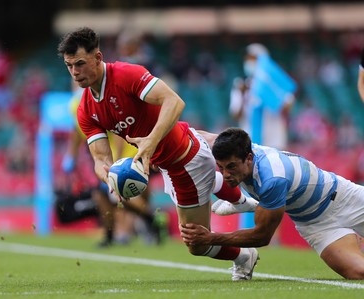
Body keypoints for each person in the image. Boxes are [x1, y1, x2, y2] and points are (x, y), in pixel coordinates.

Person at [57, 27, 258, 281]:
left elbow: (174, 101)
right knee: (198, 212)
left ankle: (244, 255)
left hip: (186, 162)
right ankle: (237, 199)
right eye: (69, 66)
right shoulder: (85, 109)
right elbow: (100, 159)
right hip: (169, 163)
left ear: (98, 57)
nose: (75, 72)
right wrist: (108, 176)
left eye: (80, 64)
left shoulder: (127, 74)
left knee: (196, 243)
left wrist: (151, 142)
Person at [180, 127, 364, 280]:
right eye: (221, 167)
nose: (226, 174)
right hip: (314, 224)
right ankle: (246, 203)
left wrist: (211, 238)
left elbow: (261, 237)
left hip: (345, 198)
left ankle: (246, 204)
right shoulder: (230, 148)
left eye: (231, 167)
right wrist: (153, 147)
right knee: (358, 273)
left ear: (249, 158)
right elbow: (188, 133)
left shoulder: (272, 179)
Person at [62, 85, 161, 247]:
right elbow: (77, 130)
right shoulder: (75, 104)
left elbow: (117, 131)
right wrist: (71, 156)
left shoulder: (99, 101)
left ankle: (149, 220)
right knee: (101, 195)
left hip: (124, 155)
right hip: (105, 158)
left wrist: (118, 161)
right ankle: (112, 234)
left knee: (120, 196)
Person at [232, 43, 295, 150]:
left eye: (253, 59)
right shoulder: (240, 84)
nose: (249, 62)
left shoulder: (275, 82)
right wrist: (243, 95)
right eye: (247, 59)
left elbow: (287, 106)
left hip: (274, 140)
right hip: (250, 141)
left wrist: (271, 93)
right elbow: (236, 115)